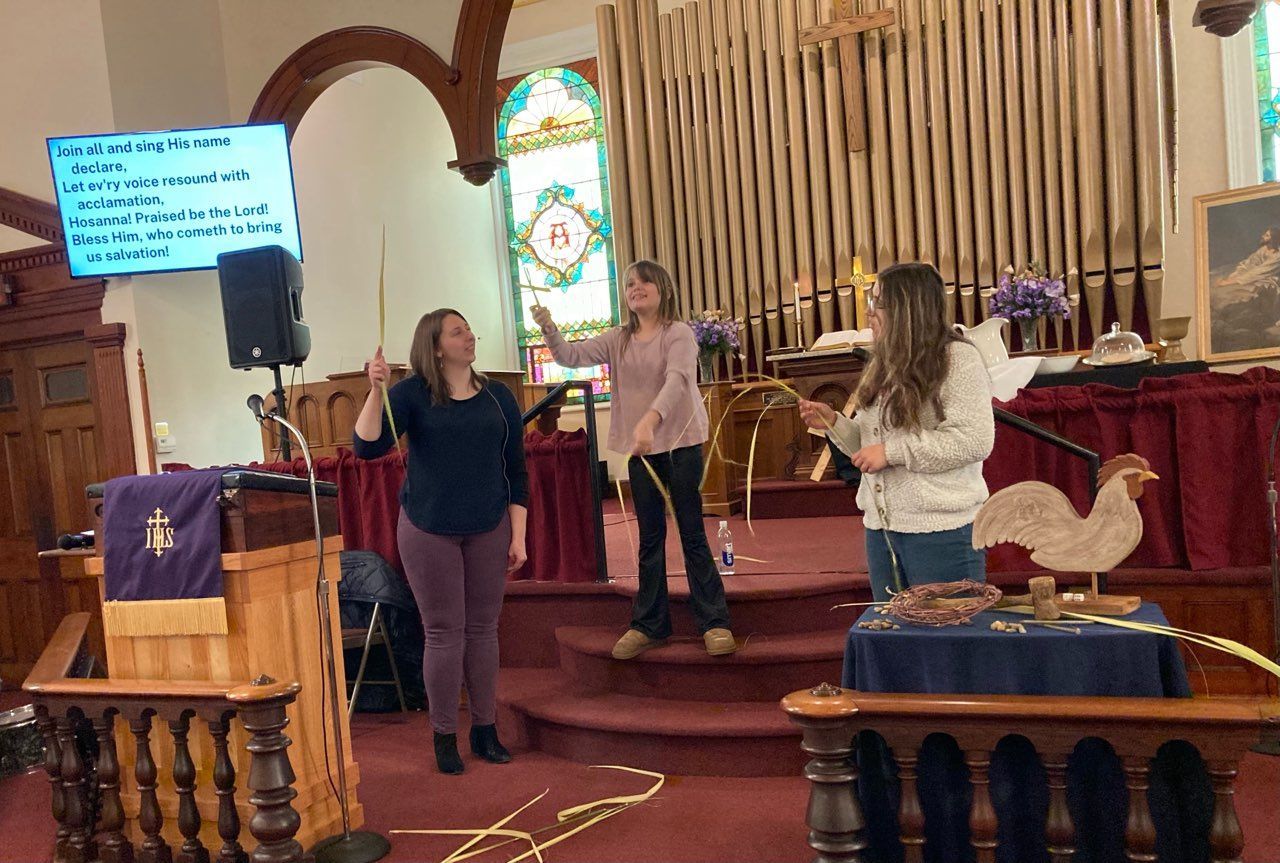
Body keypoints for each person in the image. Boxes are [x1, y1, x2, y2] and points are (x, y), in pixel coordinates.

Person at [530, 260, 735, 659]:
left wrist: (650, 420)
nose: (635, 287)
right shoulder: (618, 338)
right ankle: (649, 624)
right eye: (628, 284)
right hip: (643, 451)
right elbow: (570, 356)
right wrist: (549, 327)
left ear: (663, 288)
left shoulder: (679, 334)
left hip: (680, 443)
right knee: (650, 538)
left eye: (643, 282)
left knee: (691, 533)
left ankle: (714, 621)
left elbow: (678, 380)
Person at [353, 308, 528, 775]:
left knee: (484, 631)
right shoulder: (411, 394)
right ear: (435, 346)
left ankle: (485, 729)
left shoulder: (499, 398)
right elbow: (367, 447)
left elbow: (517, 472)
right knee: (444, 633)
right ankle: (444, 734)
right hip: (429, 528)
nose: (469, 335)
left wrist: (520, 536)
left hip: (489, 525)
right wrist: (375, 391)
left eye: (469, 327)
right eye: (458, 331)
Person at [798, 262, 994, 600]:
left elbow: (974, 440)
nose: (869, 312)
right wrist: (834, 423)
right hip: (882, 528)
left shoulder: (958, 359)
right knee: (894, 642)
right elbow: (869, 445)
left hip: (940, 530)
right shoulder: (884, 363)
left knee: (945, 642)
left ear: (907, 308)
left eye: (877, 303)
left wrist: (892, 452)